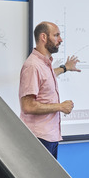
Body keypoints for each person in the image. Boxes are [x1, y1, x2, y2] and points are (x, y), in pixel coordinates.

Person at [19, 21, 80, 158]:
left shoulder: (43, 65)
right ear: (43, 37)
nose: (60, 40)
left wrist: (65, 68)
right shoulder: (32, 66)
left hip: (49, 137)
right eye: (56, 35)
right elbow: (27, 106)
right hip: (38, 138)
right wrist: (60, 106)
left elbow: (47, 77)